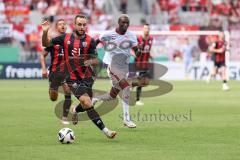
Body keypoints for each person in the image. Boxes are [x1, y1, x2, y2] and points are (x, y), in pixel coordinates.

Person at [42, 14, 116, 139]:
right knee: (87, 102)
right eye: (79, 24)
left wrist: (88, 61)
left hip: (87, 77)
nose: (82, 27)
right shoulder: (65, 38)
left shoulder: (90, 40)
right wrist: (45, 33)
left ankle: (75, 110)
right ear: (74, 25)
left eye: (84, 25)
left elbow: (96, 60)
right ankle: (106, 131)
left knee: (86, 104)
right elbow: (46, 44)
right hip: (71, 77)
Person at [92, 14, 141, 128]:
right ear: (118, 23)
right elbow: (97, 41)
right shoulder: (108, 34)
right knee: (127, 87)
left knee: (112, 95)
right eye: (123, 23)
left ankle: (95, 99)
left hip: (124, 67)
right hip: (112, 66)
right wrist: (92, 52)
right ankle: (126, 119)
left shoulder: (132, 36)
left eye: (127, 23)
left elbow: (136, 51)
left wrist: (139, 52)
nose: (125, 25)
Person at [40, 19, 71, 125]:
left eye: (64, 24)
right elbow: (42, 55)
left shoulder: (71, 40)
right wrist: (44, 69)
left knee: (68, 92)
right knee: (54, 98)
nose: (62, 26)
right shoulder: (54, 41)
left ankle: (64, 117)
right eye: (60, 24)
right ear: (56, 27)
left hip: (67, 72)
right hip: (54, 72)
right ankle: (51, 88)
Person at [134, 23, 153, 106]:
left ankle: (132, 84)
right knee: (141, 81)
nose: (147, 30)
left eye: (148, 28)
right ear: (143, 29)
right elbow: (132, 48)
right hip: (138, 63)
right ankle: (137, 99)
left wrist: (151, 56)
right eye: (145, 28)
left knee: (144, 81)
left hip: (146, 64)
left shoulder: (151, 39)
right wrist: (133, 53)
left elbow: (148, 50)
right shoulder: (138, 38)